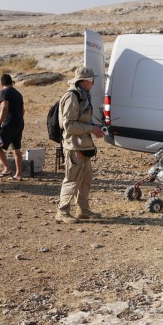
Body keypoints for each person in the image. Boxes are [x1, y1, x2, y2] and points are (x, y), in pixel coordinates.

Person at [55, 66, 105, 223]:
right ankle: (62, 212)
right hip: (74, 146)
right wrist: (91, 128)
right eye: (92, 80)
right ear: (84, 81)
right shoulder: (72, 97)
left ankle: (83, 209)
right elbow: (68, 125)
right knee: (72, 179)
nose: (94, 84)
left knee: (85, 179)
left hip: (84, 145)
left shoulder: (83, 96)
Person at [0, 73, 25, 181]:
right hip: (20, 122)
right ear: (11, 82)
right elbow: (23, 110)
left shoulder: (4, 92)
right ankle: (19, 174)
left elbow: (4, 108)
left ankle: (7, 168)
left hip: (10, 122)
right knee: (16, 149)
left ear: (2, 83)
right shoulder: (18, 93)